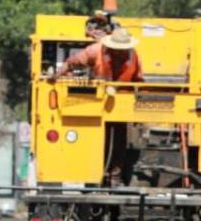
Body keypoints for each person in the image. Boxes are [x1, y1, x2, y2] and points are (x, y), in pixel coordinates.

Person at [58, 27, 144, 187]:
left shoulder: (134, 56)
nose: (120, 53)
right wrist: (59, 73)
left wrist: (137, 106)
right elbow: (74, 62)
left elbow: (139, 80)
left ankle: (115, 178)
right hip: (97, 102)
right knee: (98, 140)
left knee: (119, 141)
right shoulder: (95, 51)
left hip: (121, 104)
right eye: (117, 50)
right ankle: (97, 176)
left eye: (122, 50)